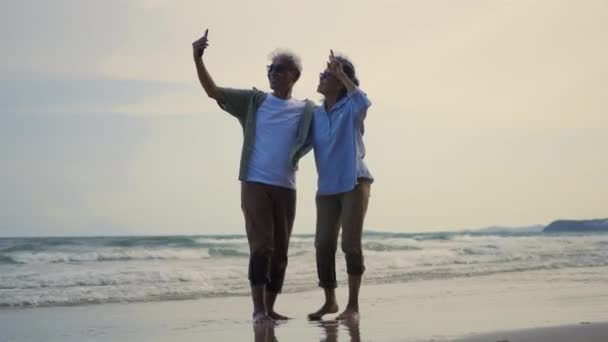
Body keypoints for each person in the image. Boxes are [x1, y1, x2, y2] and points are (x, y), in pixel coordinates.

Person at [192, 29, 315, 324]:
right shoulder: (253, 101)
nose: (272, 73)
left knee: (281, 252)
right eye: (269, 69)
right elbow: (214, 91)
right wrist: (197, 59)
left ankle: (270, 308)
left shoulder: (306, 110)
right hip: (255, 183)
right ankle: (258, 310)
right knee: (261, 246)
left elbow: (331, 124)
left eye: (278, 69)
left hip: (287, 186)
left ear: (294, 75)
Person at [308, 51, 373, 321]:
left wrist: (342, 74)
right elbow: (301, 142)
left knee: (350, 244)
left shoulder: (352, 108)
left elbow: (363, 100)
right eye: (323, 74)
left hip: (354, 182)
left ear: (339, 81)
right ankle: (330, 301)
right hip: (326, 189)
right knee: (323, 245)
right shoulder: (315, 114)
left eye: (326, 75)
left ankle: (353, 306)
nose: (321, 78)